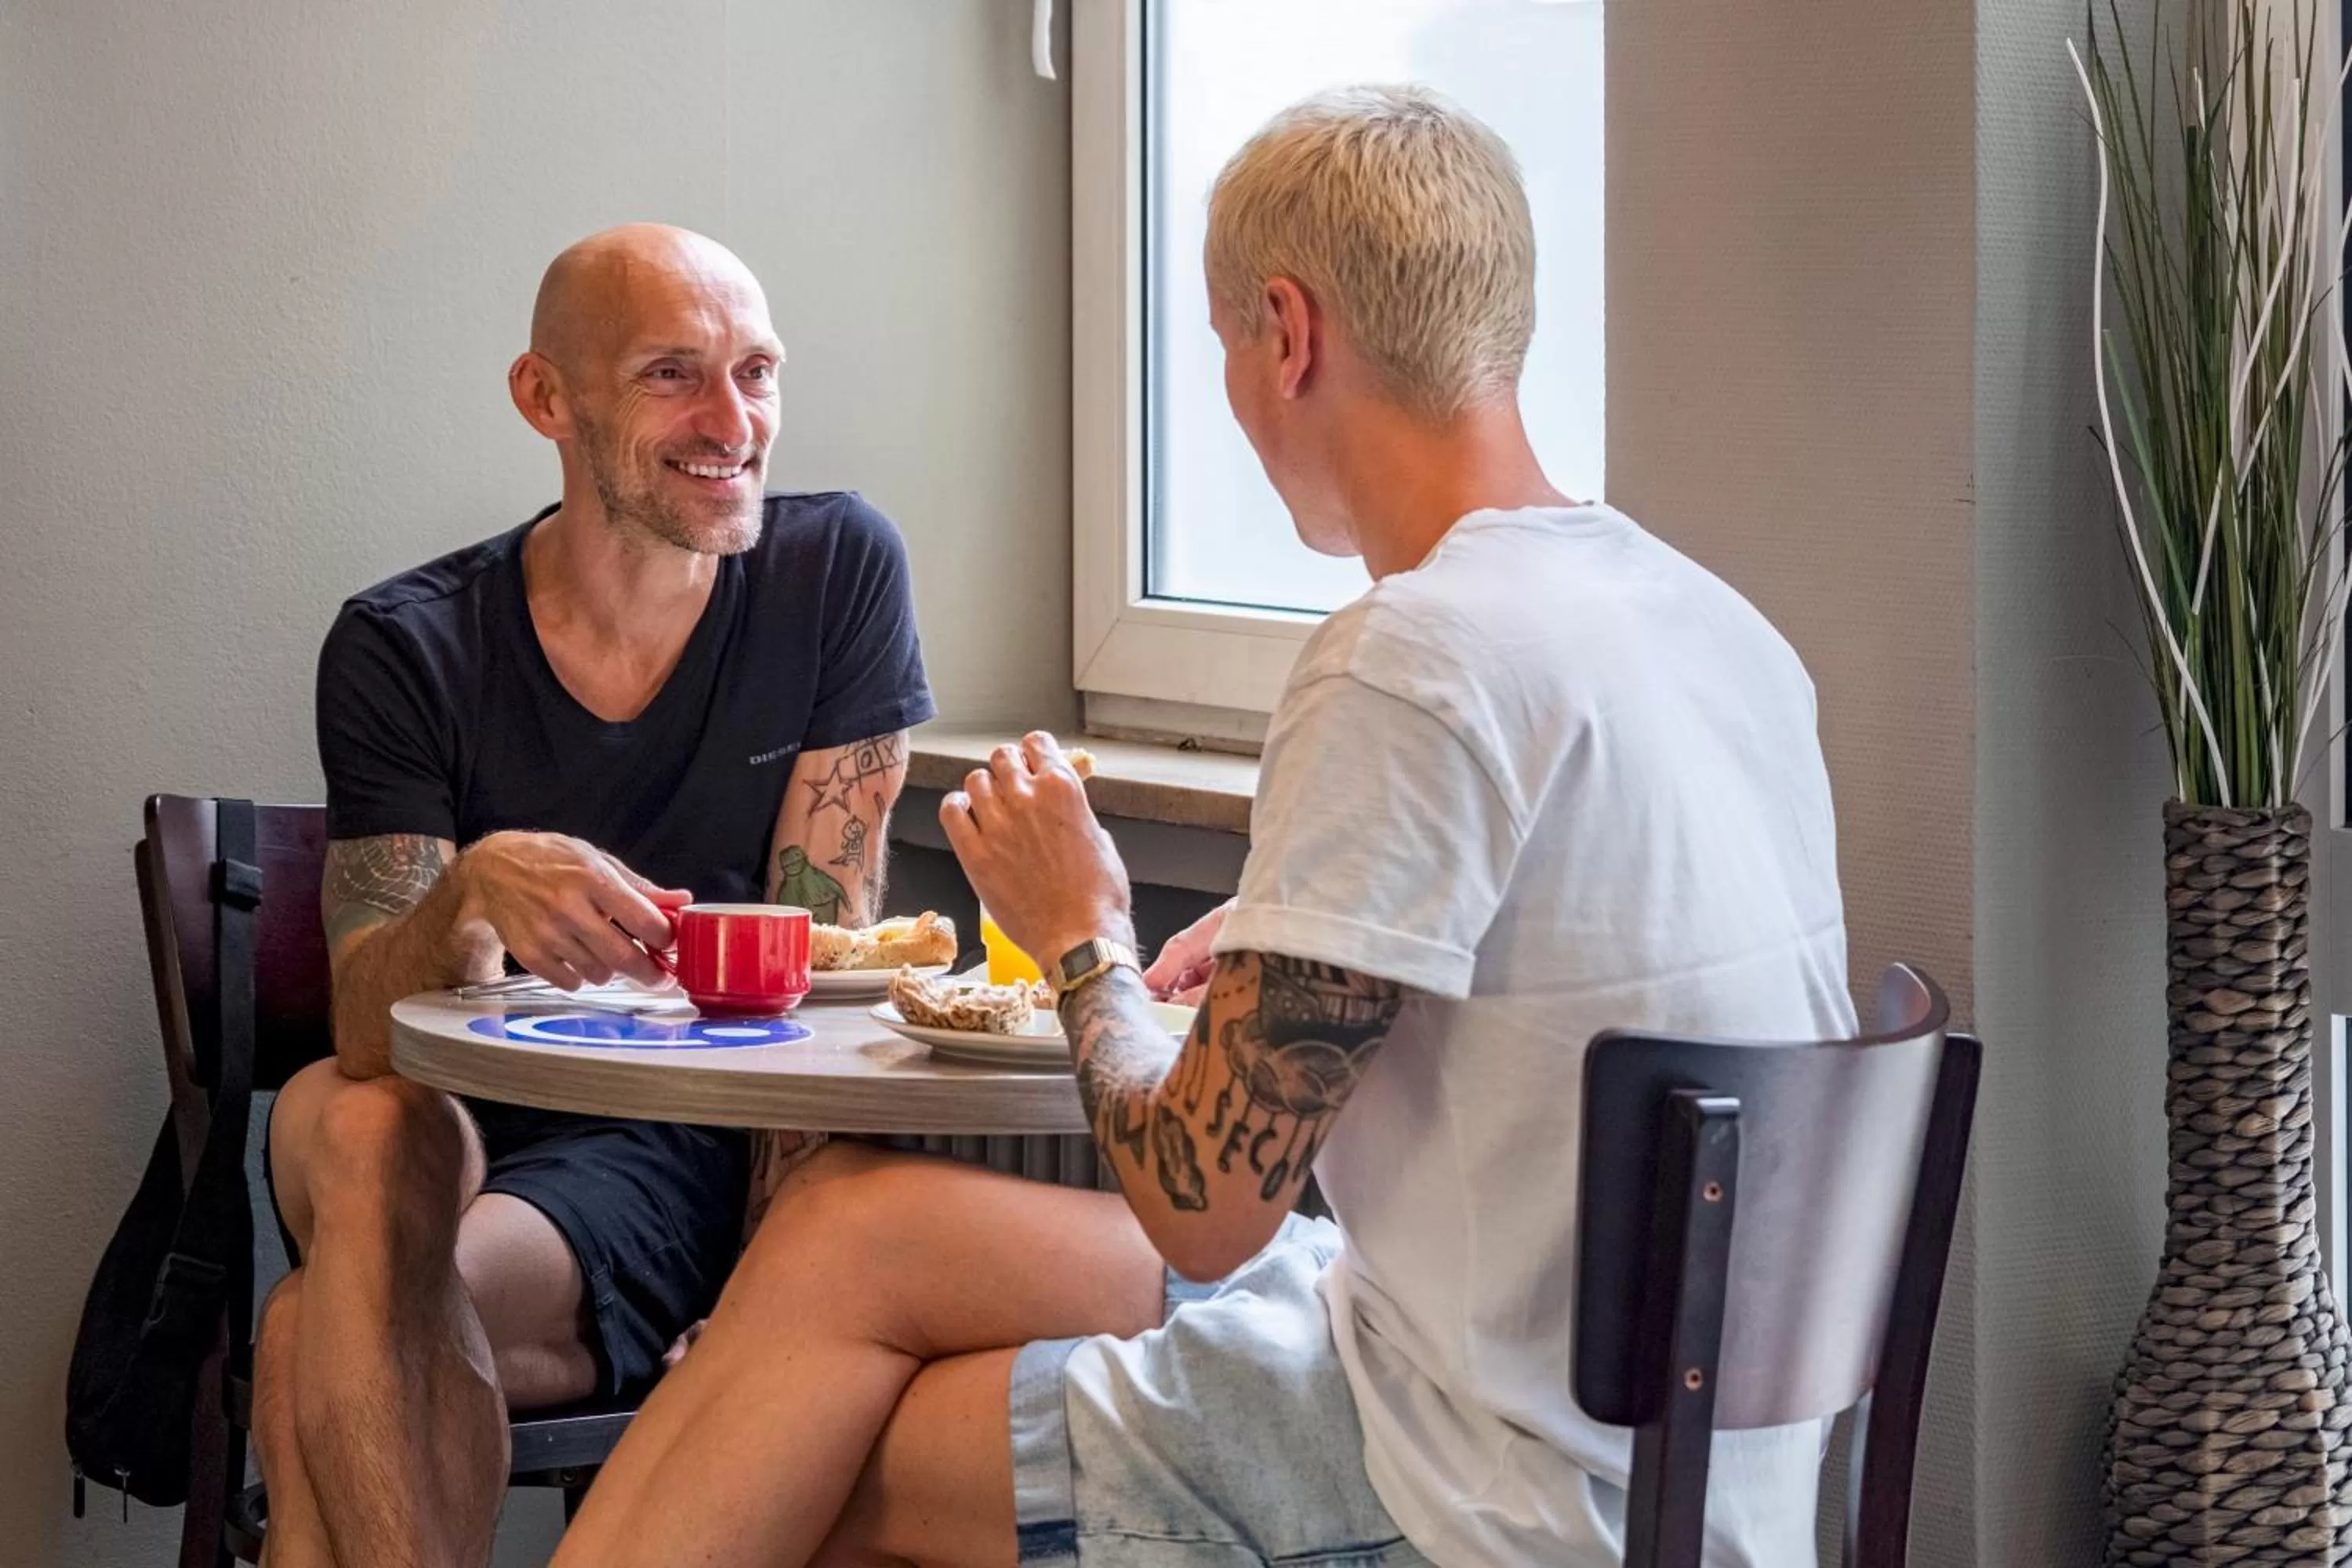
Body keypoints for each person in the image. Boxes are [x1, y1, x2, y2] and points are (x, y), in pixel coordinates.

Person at [555, 88, 1853, 1568]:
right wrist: (1296, 933)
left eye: (1229, 345)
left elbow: (1204, 1210)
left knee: (803, 1441)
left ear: (1287, 334)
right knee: (849, 1225)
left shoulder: (1409, 657)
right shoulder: (1711, 622)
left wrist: (1081, 933)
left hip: (1482, 1491)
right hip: (1657, 1448)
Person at [255, 223, 935, 1567]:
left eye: (757, 371)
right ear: (545, 399)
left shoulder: (833, 575)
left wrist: (771, 1295)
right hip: (430, 1105)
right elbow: (360, 1025)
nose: (731, 421)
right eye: (671, 376)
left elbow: (827, 984)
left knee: (315, 1331)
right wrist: (464, 899)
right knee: (367, 1122)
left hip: (656, 1137)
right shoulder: (405, 642)